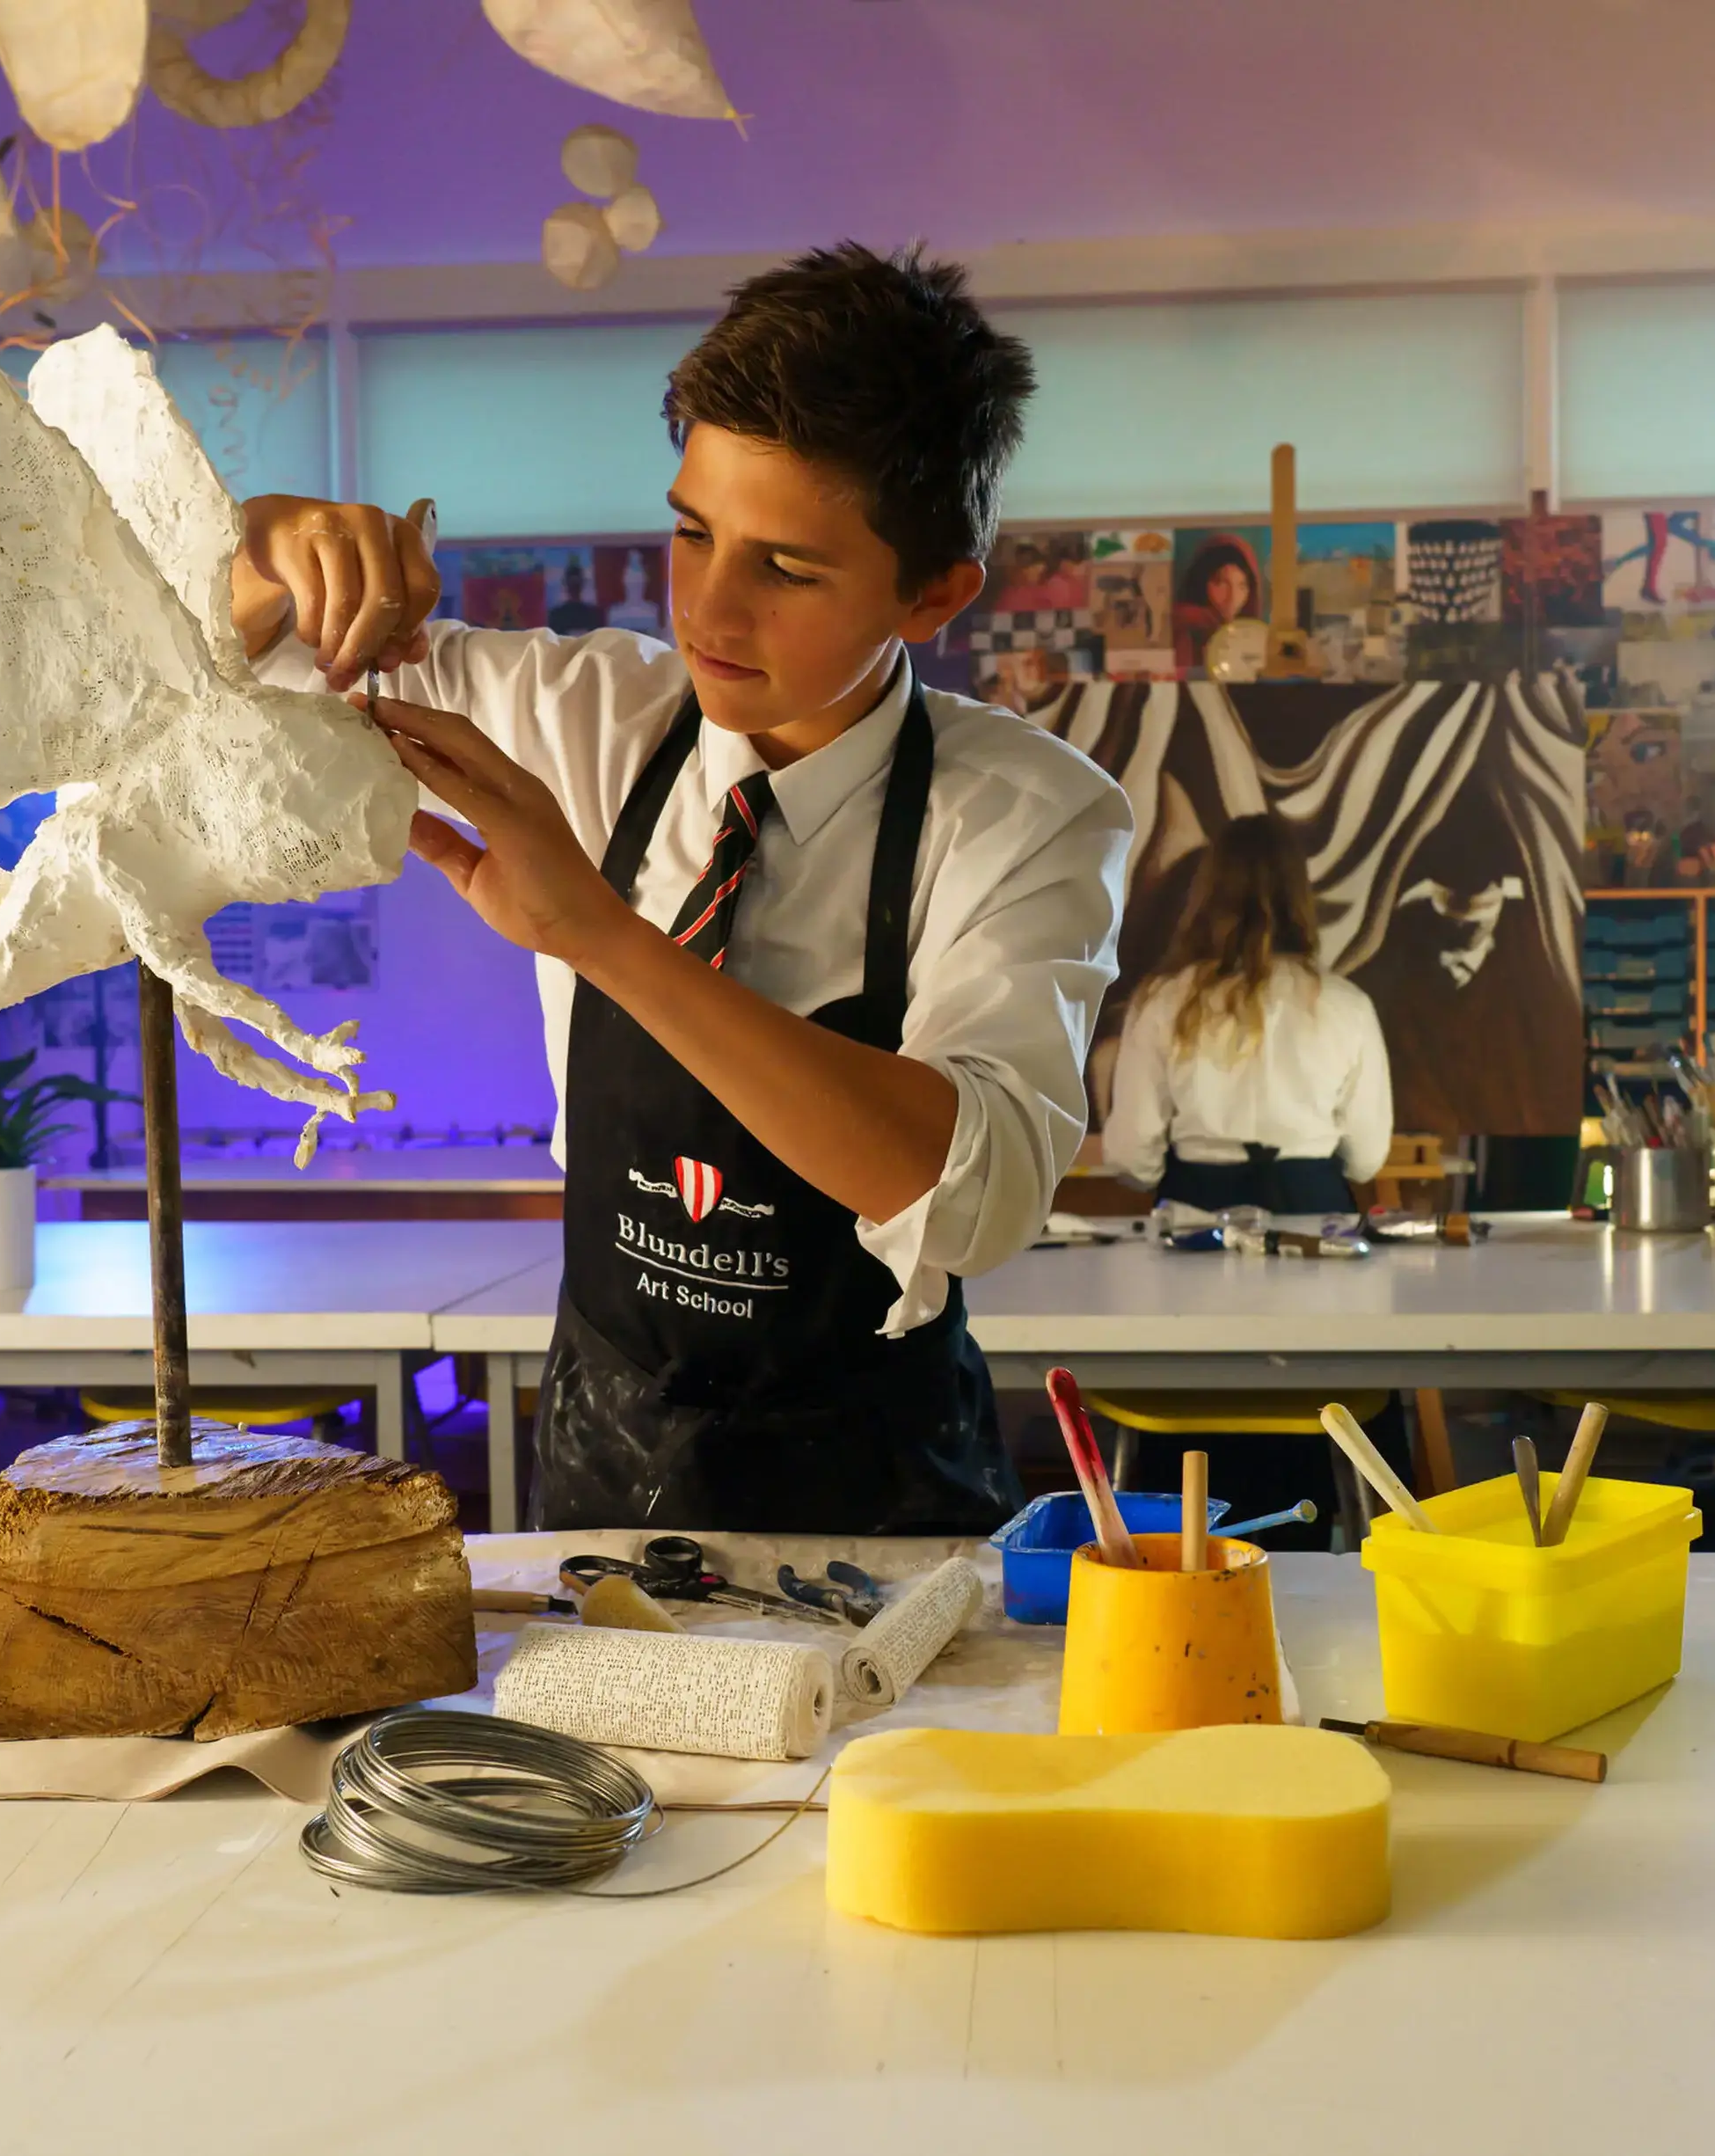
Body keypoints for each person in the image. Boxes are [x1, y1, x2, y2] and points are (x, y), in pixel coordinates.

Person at [229, 243, 1133, 1534]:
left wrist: (599, 935)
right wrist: (273, 550)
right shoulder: (577, 713)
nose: (709, 606)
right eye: (693, 529)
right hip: (604, 1477)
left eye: (788, 568)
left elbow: (972, 1188)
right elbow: (203, 682)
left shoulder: (1028, 811)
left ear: (931, 592)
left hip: (883, 1520)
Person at [1103, 811, 1391, 1217]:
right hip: (1311, 1211)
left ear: (1207, 890)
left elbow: (1132, 1155)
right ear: (1300, 893)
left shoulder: (1163, 1000)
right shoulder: (1348, 1006)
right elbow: (1366, 1158)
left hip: (1198, 1211)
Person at [1172, 533, 1264, 669]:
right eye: (1221, 583)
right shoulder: (1180, 628)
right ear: (1202, 582)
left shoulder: (1252, 637)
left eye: (1242, 586)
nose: (1233, 596)